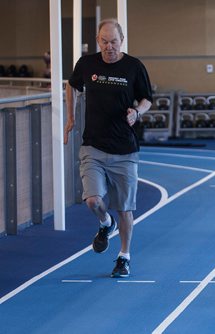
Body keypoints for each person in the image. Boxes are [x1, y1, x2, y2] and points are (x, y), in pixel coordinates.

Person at [64, 19, 152, 278]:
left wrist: (137, 112)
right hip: (93, 146)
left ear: (121, 41)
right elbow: (72, 85)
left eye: (113, 42)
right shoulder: (87, 63)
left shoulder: (133, 66)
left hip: (125, 150)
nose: (109, 47)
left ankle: (124, 256)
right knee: (93, 200)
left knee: (125, 209)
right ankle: (105, 223)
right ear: (98, 40)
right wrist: (70, 118)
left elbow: (147, 98)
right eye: (104, 41)